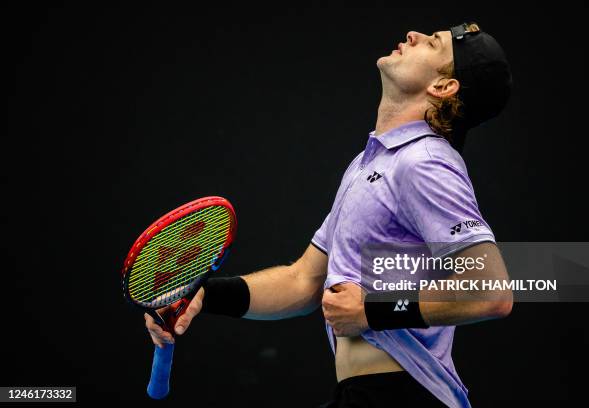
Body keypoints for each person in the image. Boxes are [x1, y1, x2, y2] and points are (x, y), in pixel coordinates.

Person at [145, 22, 514, 408]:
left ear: (442, 87)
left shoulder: (424, 162)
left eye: (433, 43)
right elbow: (304, 281)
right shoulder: (367, 165)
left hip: (404, 394)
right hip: (361, 394)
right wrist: (202, 294)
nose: (413, 35)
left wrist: (372, 310)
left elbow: (491, 293)